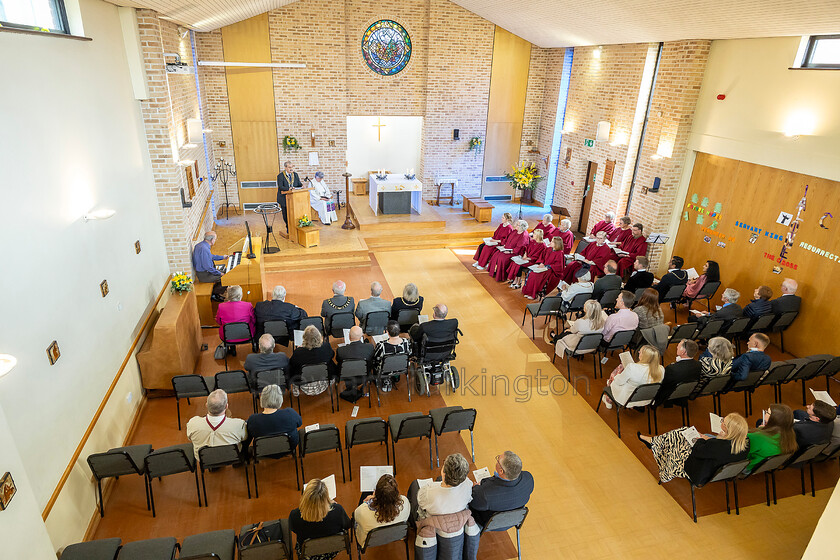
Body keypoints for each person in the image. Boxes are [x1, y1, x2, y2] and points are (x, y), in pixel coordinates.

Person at [638, 413, 749, 485]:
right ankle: (654, 442)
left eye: (723, 422)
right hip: (716, 471)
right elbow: (716, 450)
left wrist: (701, 439)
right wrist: (709, 439)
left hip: (699, 472)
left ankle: (655, 443)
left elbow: (698, 451)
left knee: (681, 435)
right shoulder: (745, 445)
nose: (721, 423)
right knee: (683, 433)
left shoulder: (718, 445)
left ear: (729, 429)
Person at [289, 478, 351, 560]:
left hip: (308, 553)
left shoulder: (295, 515)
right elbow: (347, 525)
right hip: (332, 550)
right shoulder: (338, 510)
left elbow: (293, 529)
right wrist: (332, 504)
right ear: (326, 497)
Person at [469, 451, 534, 526]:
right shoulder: (528, 478)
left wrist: (476, 488)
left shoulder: (484, 494)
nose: (496, 461)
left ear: (501, 471)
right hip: (513, 520)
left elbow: (474, 504)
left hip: (491, 523)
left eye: (498, 460)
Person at [186, 389, 248, 460]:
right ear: (226, 406)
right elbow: (245, 438)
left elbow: (189, 437)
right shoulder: (239, 424)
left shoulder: (193, 423)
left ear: (206, 405)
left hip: (205, 459)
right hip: (231, 457)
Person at [354, 474, 409, 544]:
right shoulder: (405, 501)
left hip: (371, 541)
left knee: (365, 493)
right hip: (395, 535)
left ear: (377, 494)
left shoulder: (362, 511)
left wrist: (366, 502)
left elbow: (356, 518)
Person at [416, 453, 473, 518]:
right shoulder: (468, 485)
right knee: (439, 479)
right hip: (457, 517)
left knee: (414, 485)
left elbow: (420, 502)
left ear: (444, 473)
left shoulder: (429, 491)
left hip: (435, 522)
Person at [246, 384, 302, 448]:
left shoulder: (253, 420)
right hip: (289, 447)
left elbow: (250, 434)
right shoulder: (290, 413)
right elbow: (299, 423)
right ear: (280, 399)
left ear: (262, 399)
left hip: (264, 450)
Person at [747, 404, 797, 471]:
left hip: (750, 467)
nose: (765, 413)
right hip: (768, 465)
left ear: (773, 418)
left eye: (767, 412)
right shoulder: (789, 435)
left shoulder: (756, 437)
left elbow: (742, 452)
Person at [290, 326, 336, 395]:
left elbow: (292, 363)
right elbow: (332, 354)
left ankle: (296, 390)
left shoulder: (298, 352)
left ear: (304, 339)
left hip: (304, 385)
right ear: (319, 337)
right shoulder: (326, 347)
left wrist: (300, 349)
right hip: (324, 382)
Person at [654, 339, 701, 406]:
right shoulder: (699, 365)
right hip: (683, 394)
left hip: (668, 395)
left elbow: (663, 384)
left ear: (683, 352)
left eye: (678, 346)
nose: (676, 347)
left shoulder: (672, 369)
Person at [335, 326, 374, 402]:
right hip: (364, 376)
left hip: (347, 377)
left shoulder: (341, 350)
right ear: (362, 336)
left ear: (349, 337)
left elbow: (338, 361)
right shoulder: (369, 347)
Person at [215, 285, 255, 354]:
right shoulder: (248, 305)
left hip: (228, 336)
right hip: (247, 335)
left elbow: (218, 321)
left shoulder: (221, 306)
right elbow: (254, 320)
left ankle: (232, 348)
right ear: (240, 295)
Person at [373, 320, 410, 390]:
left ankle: (385, 379)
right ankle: (396, 377)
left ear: (387, 332)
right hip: (401, 368)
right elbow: (409, 354)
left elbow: (375, 359)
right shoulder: (406, 342)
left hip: (385, 370)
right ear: (399, 330)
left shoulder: (381, 345)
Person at [192, 231, 228, 300]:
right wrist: (220, 273)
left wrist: (222, 257)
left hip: (204, 272)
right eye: (215, 239)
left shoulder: (200, 245)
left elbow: (210, 256)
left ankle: (216, 292)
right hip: (204, 275)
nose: (215, 241)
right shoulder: (205, 249)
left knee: (226, 271)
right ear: (212, 240)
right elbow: (208, 267)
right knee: (226, 277)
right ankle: (214, 294)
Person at [277, 160, 302, 233]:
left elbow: (298, 184)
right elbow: (281, 187)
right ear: (285, 168)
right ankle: (288, 227)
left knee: (294, 213)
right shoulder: (280, 176)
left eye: (292, 167)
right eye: (289, 167)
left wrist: (302, 186)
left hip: (294, 198)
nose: (291, 169)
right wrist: (289, 188)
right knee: (286, 214)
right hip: (284, 198)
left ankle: (295, 227)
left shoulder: (295, 175)